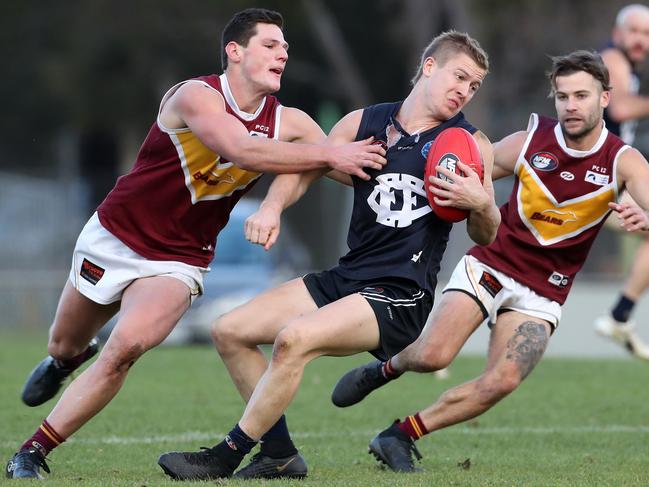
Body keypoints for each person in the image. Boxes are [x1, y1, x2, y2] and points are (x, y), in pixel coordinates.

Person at [4, 8, 388, 480]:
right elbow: (242, 149)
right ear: (235, 52)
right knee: (64, 341)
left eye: (286, 47)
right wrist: (330, 150)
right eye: (270, 45)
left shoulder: (292, 123)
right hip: (114, 238)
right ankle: (66, 359)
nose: (283, 53)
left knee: (124, 347)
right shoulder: (195, 96)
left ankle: (32, 452)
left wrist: (412, 167)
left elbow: (333, 168)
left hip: (179, 259)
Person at [156, 30, 501, 481]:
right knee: (230, 330)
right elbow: (311, 165)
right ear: (430, 67)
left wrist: (482, 203)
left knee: (294, 339)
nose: (465, 91)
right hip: (349, 276)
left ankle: (226, 454)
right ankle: (279, 453)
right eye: (459, 76)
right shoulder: (363, 123)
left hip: (400, 294)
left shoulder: (471, 145)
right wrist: (273, 207)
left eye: (474, 86)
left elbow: (486, 234)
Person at [330, 50, 649, 473]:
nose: (571, 106)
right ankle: (387, 367)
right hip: (492, 265)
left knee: (503, 381)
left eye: (582, 96)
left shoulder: (623, 161)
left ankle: (399, 436)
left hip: (545, 288)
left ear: (605, 98)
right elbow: (461, 171)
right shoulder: (529, 141)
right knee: (433, 356)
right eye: (563, 96)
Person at [594, 4, 649, 358]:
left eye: (647, 34)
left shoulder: (629, 69)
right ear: (617, 34)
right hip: (595, 178)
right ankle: (619, 316)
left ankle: (620, 316)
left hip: (607, 179)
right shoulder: (612, 58)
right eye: (635, 31)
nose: (641, 40)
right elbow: (620, 110)